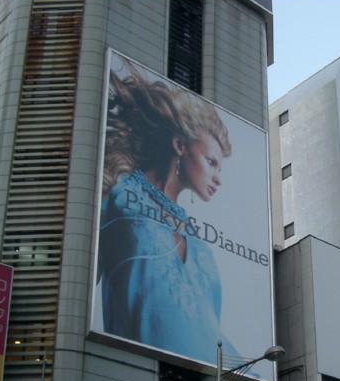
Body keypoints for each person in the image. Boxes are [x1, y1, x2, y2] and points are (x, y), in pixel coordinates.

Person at [97, 61, 240, 364]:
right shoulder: (119, 196)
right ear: (179, 145)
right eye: (211, 161)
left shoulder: (200, 243)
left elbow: (210, 331)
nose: (218, 177)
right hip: (132, 377)